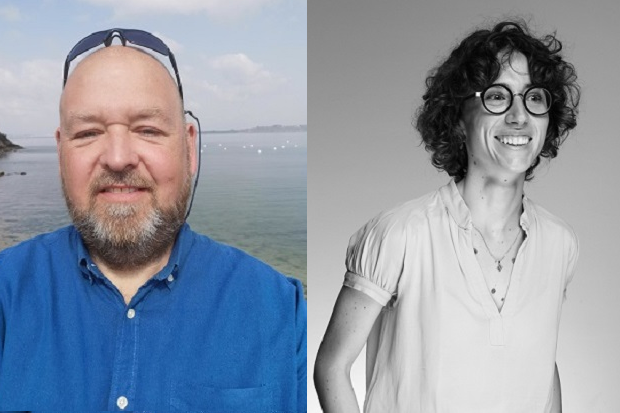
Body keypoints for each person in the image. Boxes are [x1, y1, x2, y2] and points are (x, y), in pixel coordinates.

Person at [0, 29, 306, 411]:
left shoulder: (280, 311)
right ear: (61, 151)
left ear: (189, 147)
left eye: (147, 129)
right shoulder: (7, 294)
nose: (117, 157)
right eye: (89, 132)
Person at [315, 20, 579, 413]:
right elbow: (331, 367)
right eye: (497, 96)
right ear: (459, 116)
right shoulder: (400, 235)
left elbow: (541, 367)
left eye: (534, 98)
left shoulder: (560, 244)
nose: (519, 116)